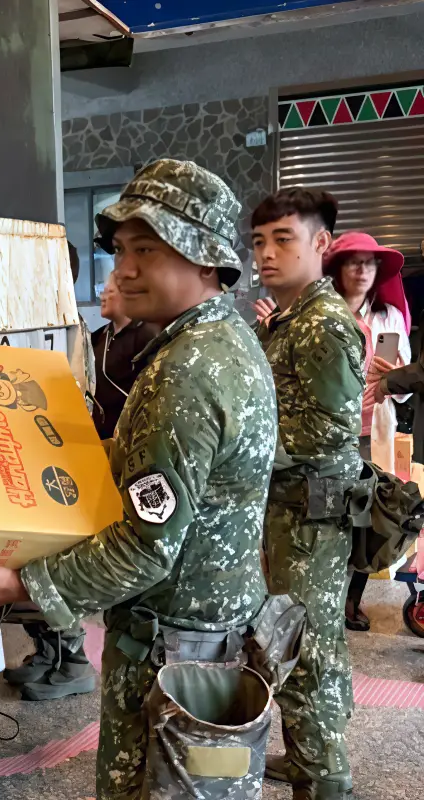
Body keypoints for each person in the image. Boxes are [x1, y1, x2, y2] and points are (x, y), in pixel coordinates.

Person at [0, 159, 277, 800]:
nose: (125, 268)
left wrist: (20, 583)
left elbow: (146, 543)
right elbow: (157, 470)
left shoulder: (186, 372)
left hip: (174, 657)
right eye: (122, 249)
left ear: (207, 262)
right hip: (208, 640)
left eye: (149, 248)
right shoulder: (224, 341)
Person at [252, 187, 363, 799]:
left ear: (320, 244)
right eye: (260, 242)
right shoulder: (293, 317)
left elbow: (330, 428)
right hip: (289, 511)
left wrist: (242, 453)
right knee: (293, 641)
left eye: (283, 239)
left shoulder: (324, 323)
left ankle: (326, 782)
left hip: (311, 515)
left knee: (307, 651)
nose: (266, 254)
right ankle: (307, 759)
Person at [4, 242, 96, 702]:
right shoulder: (47, 322)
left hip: (54, 463)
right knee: (29, 563)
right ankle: (50, 653)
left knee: (50, 566)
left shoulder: (66, 327)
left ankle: (74, 658)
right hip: (34, 459)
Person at [323, 231, 411, 632]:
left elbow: (407, 390)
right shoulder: (321, 314)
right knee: (327, 516)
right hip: (327, 434)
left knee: (370, 520)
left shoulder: (389, 318)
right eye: (353, 261)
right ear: (338, 269)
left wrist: (400, 380)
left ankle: (353, 600)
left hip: (373, 432)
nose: (362, 270)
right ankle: (322, 598)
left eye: (370, 263)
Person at [90, 271, 156, 440]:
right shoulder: (97, 337)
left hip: (131, 439)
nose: (103, 297)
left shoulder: (148, 337)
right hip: (101, 436)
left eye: (110, 292)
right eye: (102, 292)